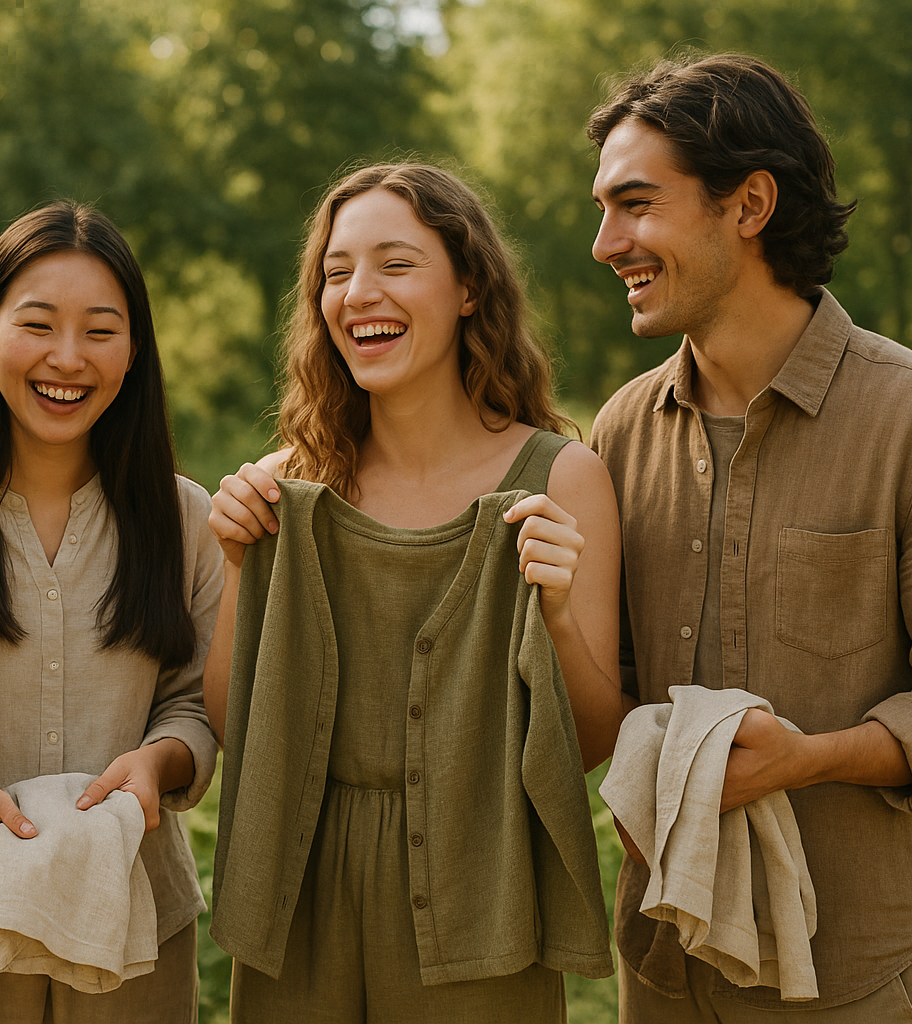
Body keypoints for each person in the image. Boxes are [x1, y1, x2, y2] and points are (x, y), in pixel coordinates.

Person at [587, 53, 912, 1022]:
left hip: (859, 966)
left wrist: (809, 758)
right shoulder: (617, 431)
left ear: (749, 204)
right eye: (606, 208)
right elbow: (604, 686)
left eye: (637, 203)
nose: (606, 241)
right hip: (666, 962)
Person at [204, 163, 625, 1021]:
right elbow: (229, 723)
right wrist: (238, 567)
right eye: (335, 271)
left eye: (396, 264)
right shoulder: (285, 490)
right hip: (300, 889)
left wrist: (555, 617)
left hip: (484, 893)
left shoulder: (562, 482)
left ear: (470, 288)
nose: (360, 293)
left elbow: (589, 744)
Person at [0, 201, 221, 1024]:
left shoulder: (187, 520)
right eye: (38, 324)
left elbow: (196, 697)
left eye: (101, 330)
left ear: (134, 352)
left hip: (136, 926)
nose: (68, 358)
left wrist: (160, 763)